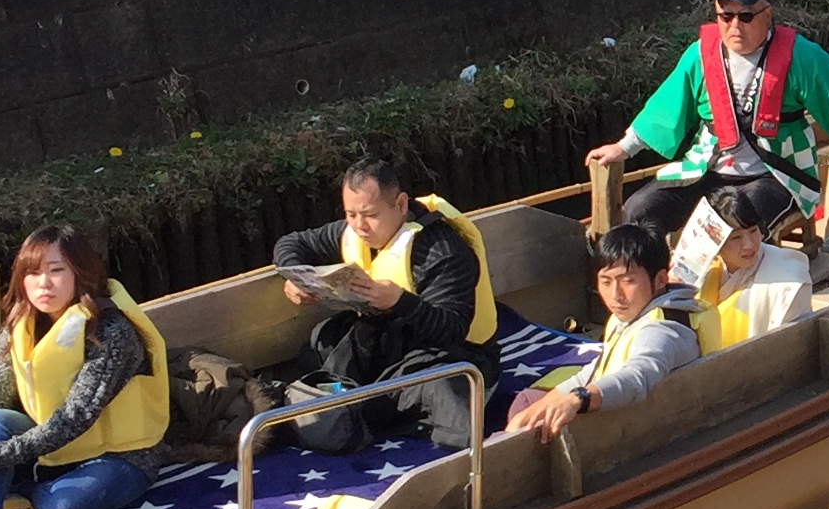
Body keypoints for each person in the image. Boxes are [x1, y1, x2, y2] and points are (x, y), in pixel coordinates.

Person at [587, 0, 829, 242]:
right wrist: (624, 147)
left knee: (735, 221)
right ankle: (654, 277)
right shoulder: (700, 55)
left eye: (746, 16)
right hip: (706, 167)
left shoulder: (799, 55)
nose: (735, 25)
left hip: (776, 172)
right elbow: (665, 108)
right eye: (726, 16)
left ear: (767, 15)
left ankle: (730, 282)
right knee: (640, 210)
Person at [0, 225, 170, 509]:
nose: (43, 283)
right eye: (32, 272)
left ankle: (24, 484)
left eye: (56, 270)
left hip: (121, 456)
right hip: (48, 448)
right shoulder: (19, 326)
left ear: (81, 273)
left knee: (62, 508)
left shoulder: (112, 331)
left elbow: (76, 415)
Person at [271, 155, 502, 451]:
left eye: (369, 215)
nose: (360, 226)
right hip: (387, 341)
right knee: (324, 341)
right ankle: (328, 407)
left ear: (401, 205)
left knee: (442, 390)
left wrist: (399, 301)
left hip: (449, 353)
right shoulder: (354, 230)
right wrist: (296, 277)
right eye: (350, 214)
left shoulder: (442, 252)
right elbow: (291, 242)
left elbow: (452, 329)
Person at [504, 223, 697, 438]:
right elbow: (596, 368)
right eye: (606, 281)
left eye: (628, 281)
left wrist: (579, 399)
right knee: (525, 405)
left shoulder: (663, 329)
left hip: (627, 426)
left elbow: (638, 375)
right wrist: (538, 409)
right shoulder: (635, 313)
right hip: (611, 405)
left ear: (660, 279)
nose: (615, 295)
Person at [688, 175, 816, 355]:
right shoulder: (701, 268)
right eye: (736, 237)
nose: (749, 245)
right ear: (715, 242)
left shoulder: (789, 280)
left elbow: (791, 349)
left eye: (753, 231)